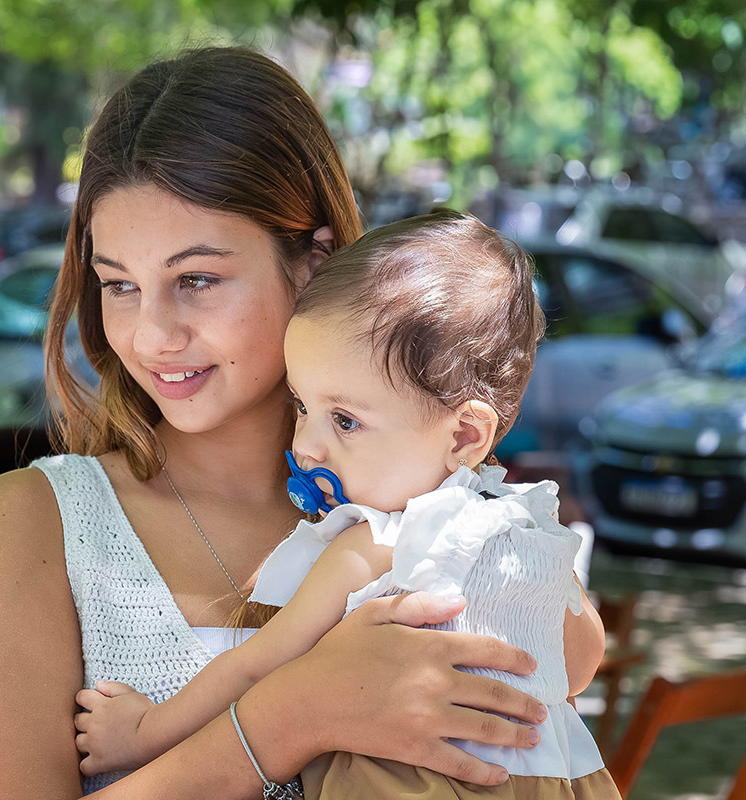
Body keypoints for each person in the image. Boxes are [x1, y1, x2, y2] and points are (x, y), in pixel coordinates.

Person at [0, 47, 569, 799]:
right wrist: (290, 718)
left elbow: (550, 690)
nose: (151, 335)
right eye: (119, 285)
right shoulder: (32, 524)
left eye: (197, 279)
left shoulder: (430, 504)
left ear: (313, 262)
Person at [72, 210, 616, 798]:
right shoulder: (527, 530)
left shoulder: (375, 543)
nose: (305, 444)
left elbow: (259, 664)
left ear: (462, 436)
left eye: (347, 420)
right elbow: (580, 663)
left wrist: (141, 731)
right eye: (302, 404)